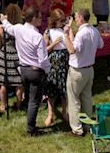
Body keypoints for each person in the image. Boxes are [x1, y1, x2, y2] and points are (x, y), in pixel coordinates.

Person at [0, 6, 50, 136]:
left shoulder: (18, 29)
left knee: (30, 98)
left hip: (23, 70)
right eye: (39, 17)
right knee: (34, 101)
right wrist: (47, 70)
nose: (41, 19)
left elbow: (8, 27)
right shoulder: (37, 36)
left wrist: (4, 20)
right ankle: (31, 129)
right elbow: (43, 60)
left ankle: (30, 124)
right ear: (33, 19)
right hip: (35, 71)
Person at [63, 8, 103, 137]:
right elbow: (101, 45)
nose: (74, 19)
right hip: (89, 69)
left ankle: (77, 129)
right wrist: (70, 34)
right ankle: (87, 123)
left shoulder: (81, 34)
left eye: (75, 17)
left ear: (81, 18)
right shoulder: (94, 31)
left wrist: (65, 35)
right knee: (86, 98)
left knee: (73, 100)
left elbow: (72, 49)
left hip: (77, 71)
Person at [0, 4, 25, 112]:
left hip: (5, 55)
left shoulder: (2, 28)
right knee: (18, 83)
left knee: (3, 83)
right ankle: (19, 104)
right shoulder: (20, 28)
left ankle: (3, 105)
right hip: (17, 54)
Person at [43, 9, 69, 127]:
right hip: (53, 63)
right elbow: (44, 50)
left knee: (64, 89)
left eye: (63, 20)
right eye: (60, 20)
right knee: (52, 90)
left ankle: (64, 111)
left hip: (65, 62)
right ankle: (50, 114)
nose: (62, 22)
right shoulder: (48, 32)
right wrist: (54, 43)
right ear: (54, 20)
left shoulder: (65, 30)